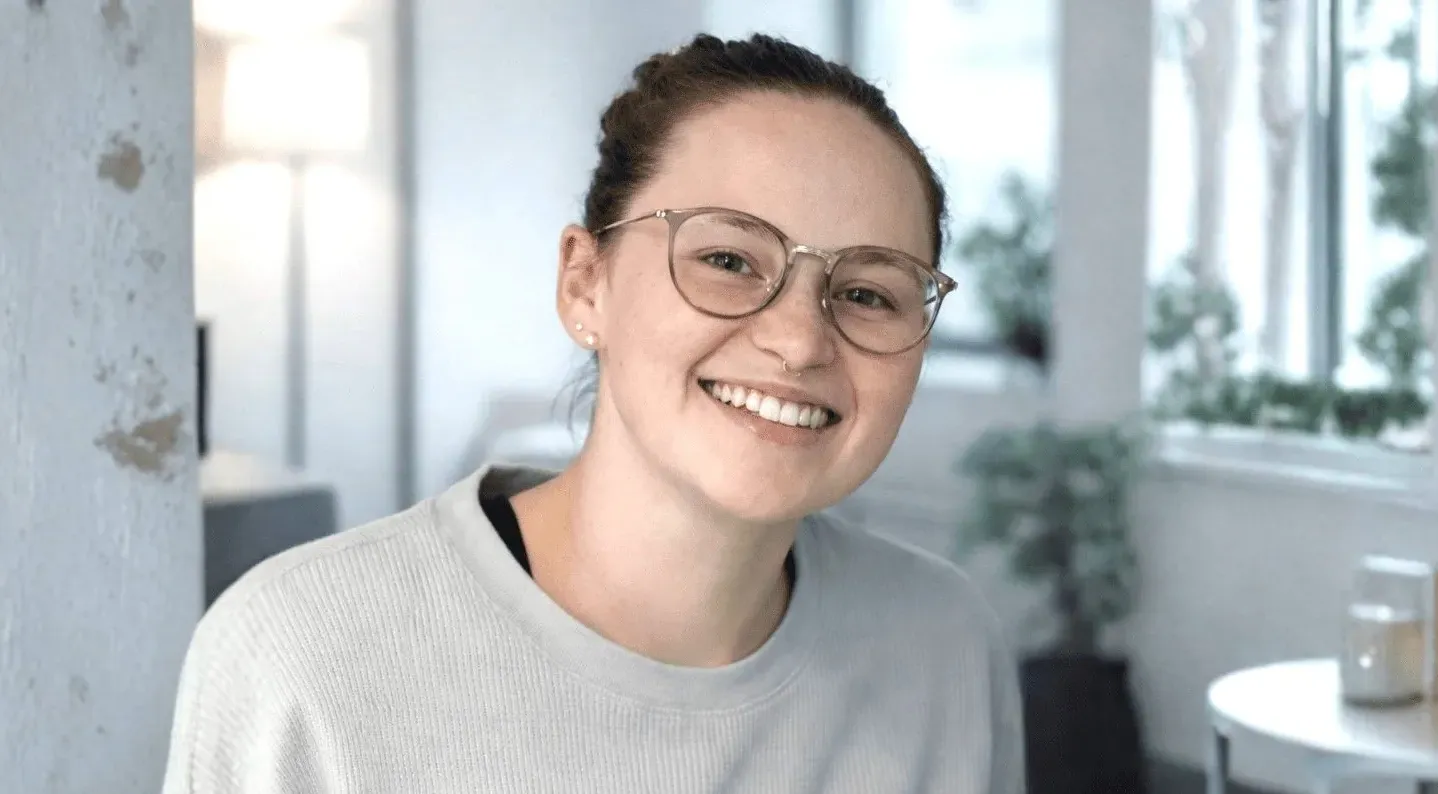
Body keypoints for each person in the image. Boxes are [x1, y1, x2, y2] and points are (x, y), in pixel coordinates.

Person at [161, 32, 1025, 794]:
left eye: (868, 291)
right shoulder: (300, 657)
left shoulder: (945, 648)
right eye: (728, 257)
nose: (800, 341)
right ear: (586, 283)